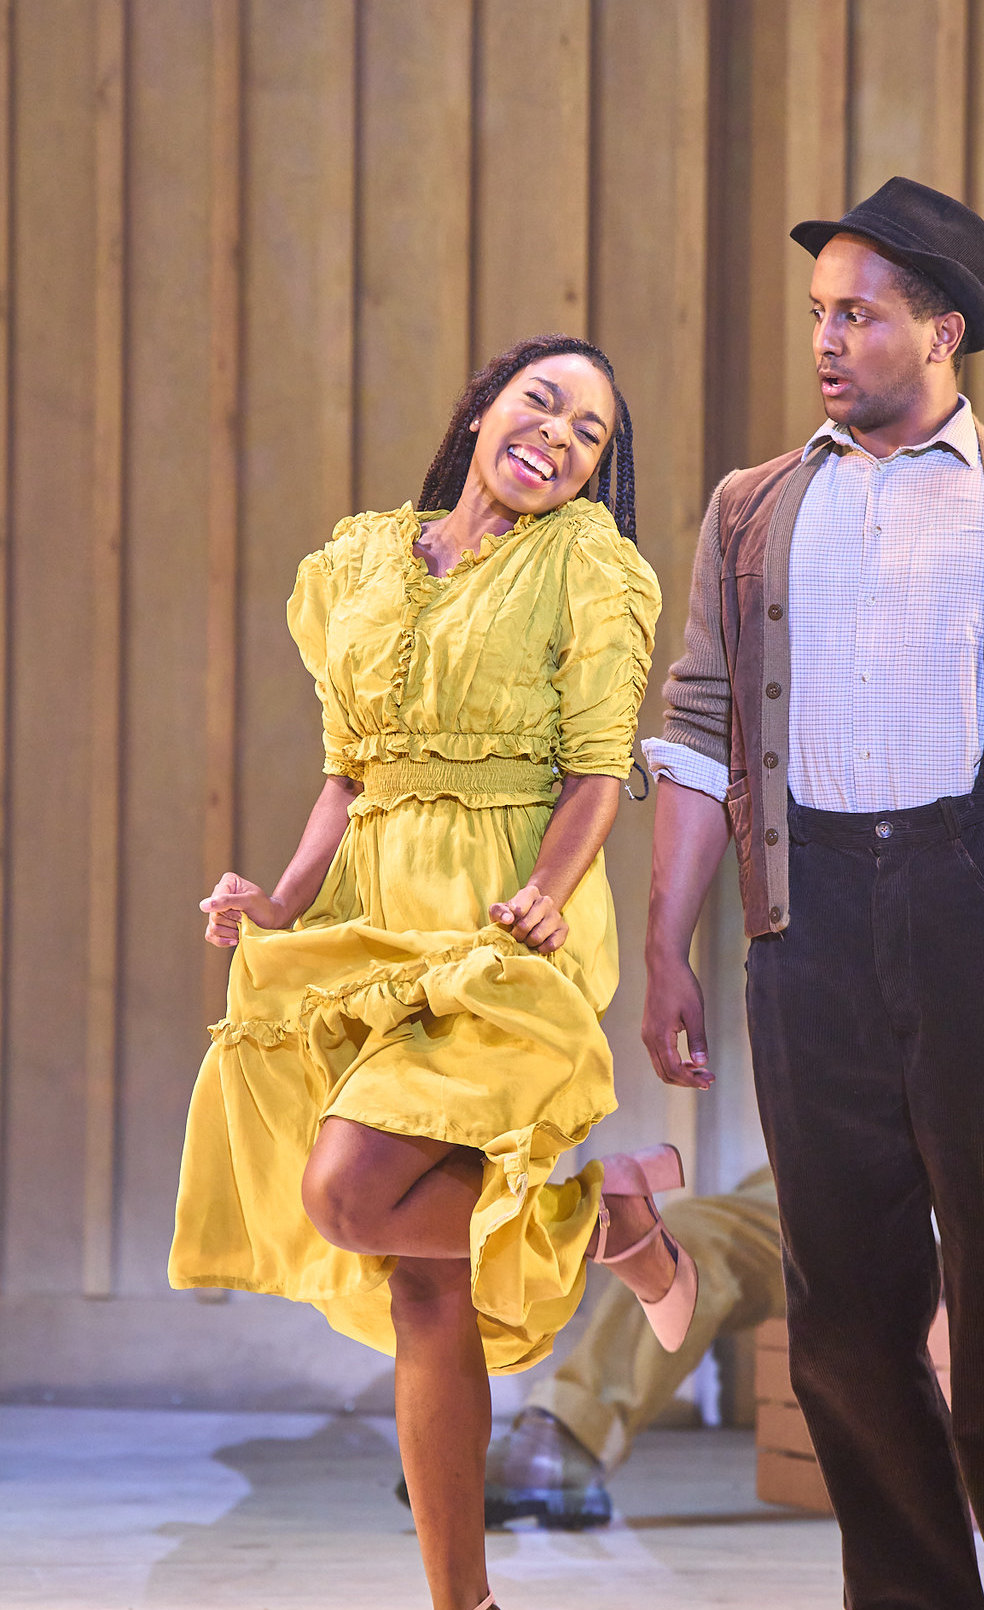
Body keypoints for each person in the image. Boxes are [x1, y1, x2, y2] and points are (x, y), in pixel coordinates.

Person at [640, 178, 984, 1610]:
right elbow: (696, 728)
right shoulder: (754, 506)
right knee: (845, 1319)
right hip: (806, 917)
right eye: (821, 314)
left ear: (942, 330)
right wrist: (666, 949)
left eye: (860, 314)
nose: (828, 339)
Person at [168, 334, 699, 1610]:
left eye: (589, 434)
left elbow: (598, 770)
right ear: (481, 409)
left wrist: (545, 891)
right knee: (422, 1284)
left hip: (497, 929)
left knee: (349, 1193)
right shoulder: (360, 559)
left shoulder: (589, 565)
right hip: (366, 916)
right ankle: (464, 1600)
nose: (558, 437)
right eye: (541, 402)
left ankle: (590, 1217)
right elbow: (347, 773)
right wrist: (277, 902)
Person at [475, 1063, 984, 1549]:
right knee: (692, 1232)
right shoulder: (862, 861)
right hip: (855, 1180)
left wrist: (972, 1202)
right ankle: (567, 1437)